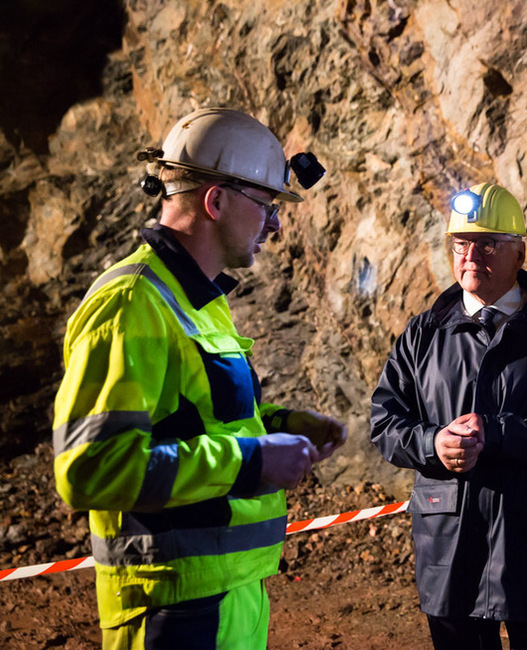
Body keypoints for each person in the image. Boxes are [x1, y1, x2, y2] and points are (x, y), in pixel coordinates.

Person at [52, 107, 346, 649]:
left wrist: (280, 425)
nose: (275, 225)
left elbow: (196, 420)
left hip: (230, 596)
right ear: (215, 201)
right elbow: (88, 470)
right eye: (266, 206)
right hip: (173, 613)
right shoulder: (131, 304)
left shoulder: (199, 303)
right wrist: (254, 461)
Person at [370, 182, 527, 650]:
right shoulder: (424, 333)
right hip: (450, 540)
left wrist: (498, 435)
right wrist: (433, 444)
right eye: (460, 243)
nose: (470, 254)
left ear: (520, 253)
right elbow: (385, 421)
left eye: (488, 244)